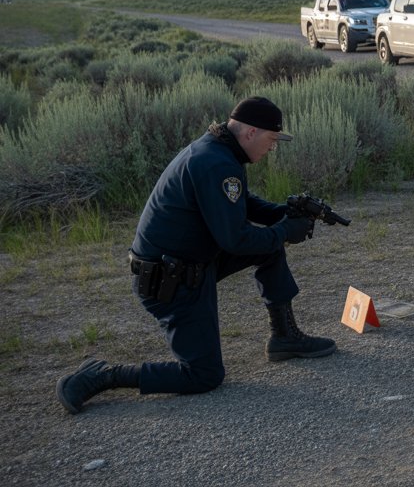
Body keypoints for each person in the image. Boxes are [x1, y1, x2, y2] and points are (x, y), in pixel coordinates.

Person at [56, 97, 334, 414]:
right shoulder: (218, 163)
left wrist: (284, 213)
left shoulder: (218, 150)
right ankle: (103, 376)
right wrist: (285, 231)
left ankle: (285, 337)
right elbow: (237, 240)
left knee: (268, 248)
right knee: (203, 375)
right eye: (271, 140)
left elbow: (240, 205)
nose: (272, 148)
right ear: (250, 133)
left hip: (188, 265)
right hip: (170, 283)